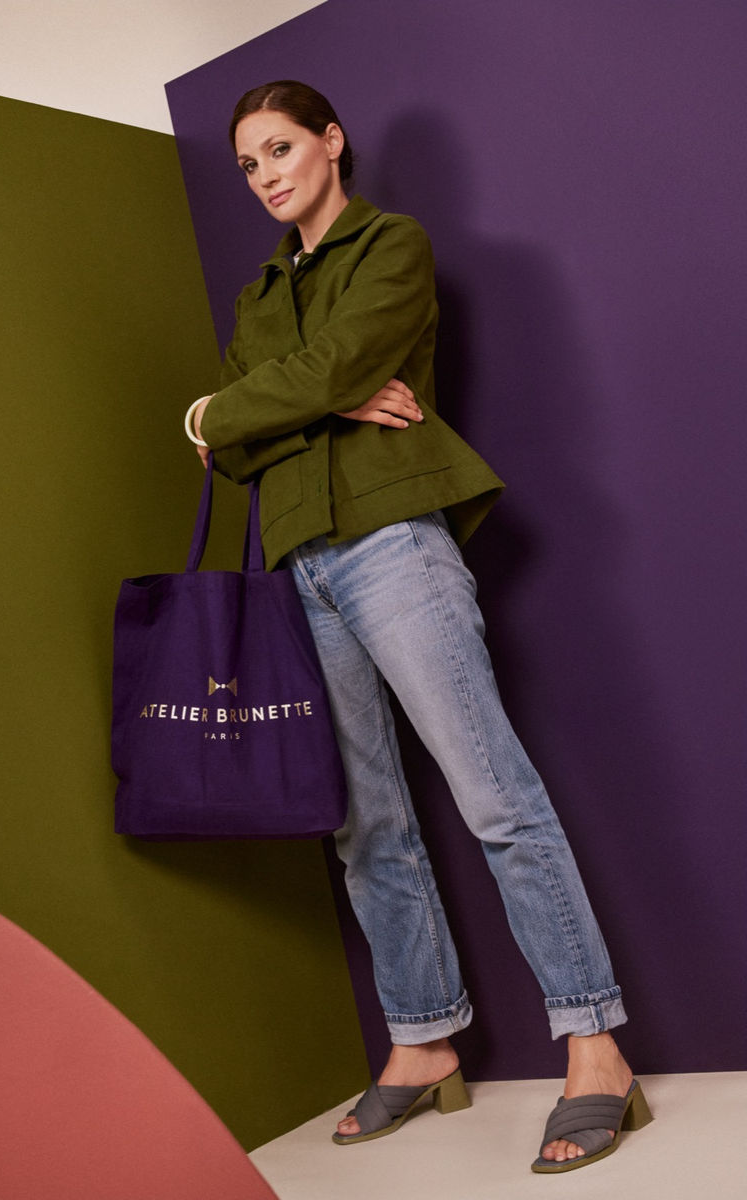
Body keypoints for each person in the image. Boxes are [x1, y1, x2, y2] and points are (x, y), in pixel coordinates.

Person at [184, 80, 652, 1173]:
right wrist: (269, 408)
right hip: (297, 561)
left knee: (494, 796)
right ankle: (423, 1039)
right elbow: (233, 446)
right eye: (248, 163)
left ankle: (596, 1047)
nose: (265, 176)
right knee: (363, 823)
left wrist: (251, 404)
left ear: (330, 141)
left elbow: (320, 375)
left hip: (393, 542)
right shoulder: (259, 294)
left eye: (280, 149)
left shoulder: (393, 245)